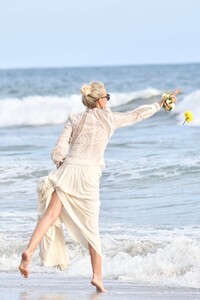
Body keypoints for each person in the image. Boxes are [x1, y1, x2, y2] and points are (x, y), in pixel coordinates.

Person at [19, 82, 179, 292]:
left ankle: (29, 252)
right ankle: (97, 277)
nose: (108, 100)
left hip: (68, 170)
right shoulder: (109, 119)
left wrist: (63, 165)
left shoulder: (75, 118)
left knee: (49, 216)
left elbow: (58, 150)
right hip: (88, 175)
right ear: (100, 100)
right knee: (92, 228)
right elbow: (135, 115)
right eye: (107, 96)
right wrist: (159, 104)